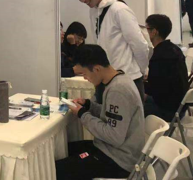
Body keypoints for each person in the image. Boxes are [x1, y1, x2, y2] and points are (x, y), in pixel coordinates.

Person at [56, 45, 145, 180]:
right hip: (110, 149)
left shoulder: (118, 90)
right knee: (62, 149)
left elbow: (114, 136)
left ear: (97, 69)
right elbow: (110, 115)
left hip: (118, 160)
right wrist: (89, 105)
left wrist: (82, 114)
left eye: (84, 74)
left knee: (56, 170)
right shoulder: (120, 78)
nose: (85, 78)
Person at [68, 0, 150, 101]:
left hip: (127, 79)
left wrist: (142, 70)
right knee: (102, 113)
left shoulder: (119, 9)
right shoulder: (94, 11)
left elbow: (139, 45)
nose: (82, 0)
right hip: (104, 79)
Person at [144, 14, 189, 121]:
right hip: (180, 107)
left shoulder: (159, 57)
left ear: (154, 32)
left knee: (132, 106)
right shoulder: (175, 49)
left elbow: (153, 90)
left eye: (146, 29)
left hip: (168, 111)